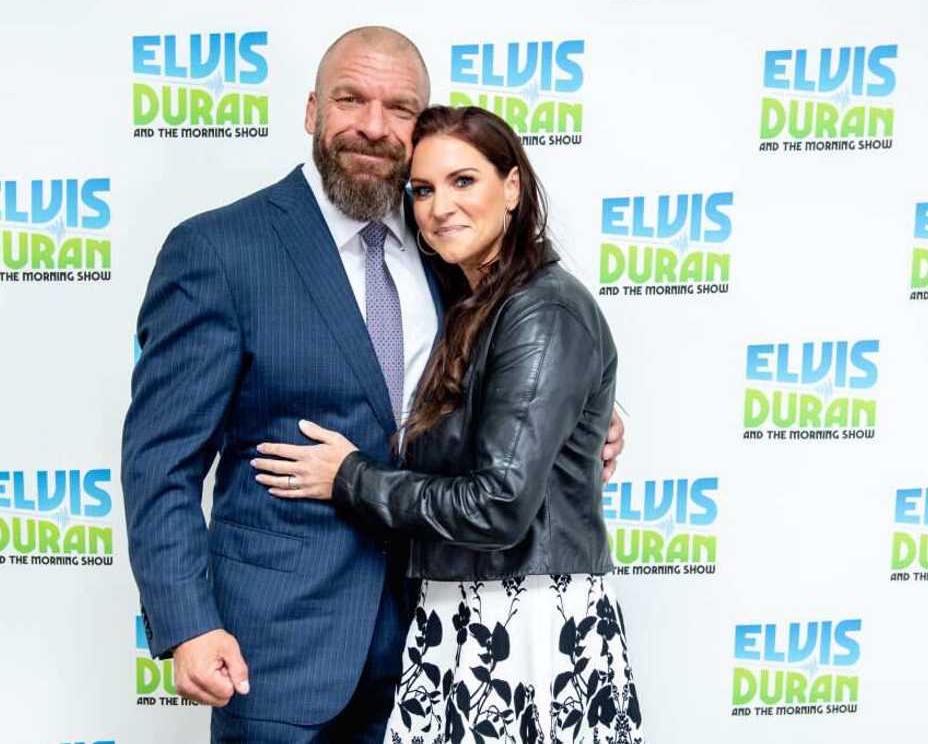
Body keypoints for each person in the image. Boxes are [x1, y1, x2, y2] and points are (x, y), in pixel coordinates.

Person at [122, 26, 626, 742]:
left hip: (443, 649)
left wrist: (587, 411)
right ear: (310, 110)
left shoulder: (449, 249)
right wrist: (189, 623)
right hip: (278, 652)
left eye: (400, 109)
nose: (372, 125)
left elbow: (522, 359)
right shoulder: (219, 250)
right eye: (350, 99)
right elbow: (160, 460)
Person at [251, 105, 643, 743]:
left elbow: (498, 506)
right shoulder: (467, 300)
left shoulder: (540, 310)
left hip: (522, 623)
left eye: (464, 181)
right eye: (423, 189)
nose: (439, 207)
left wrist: (351, 478)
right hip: (462, 610)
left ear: (512, 187)